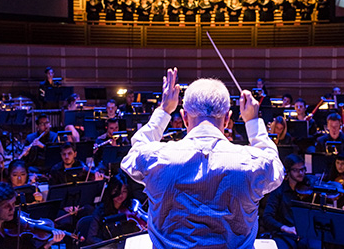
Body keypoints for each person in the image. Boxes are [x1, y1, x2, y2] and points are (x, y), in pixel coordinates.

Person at [121, 67, 284, 249]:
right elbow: (274, 164)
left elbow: (134, 153)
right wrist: (253, 122)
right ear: (227, 119)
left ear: (184, 118)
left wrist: (164, 111)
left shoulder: (156, 158)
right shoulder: (254, 163)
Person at [0, 182, 65, 249]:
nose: (12, 209)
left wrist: (48, 244)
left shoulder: (20, 226)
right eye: (6, 206)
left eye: (13, 204)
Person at [262, 154, 319, 249]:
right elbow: (267, 217)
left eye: (303, 169)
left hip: (307, 234)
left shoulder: (310, 188)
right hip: (285, 234)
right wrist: (285, 228)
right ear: (288, 171)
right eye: (296, 170)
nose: (301, 173)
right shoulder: (279, 190)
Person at [86, 171, 147, 244]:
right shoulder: (100, 211)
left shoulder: (132, 206)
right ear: (110, 191)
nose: (120, 195)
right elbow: (91, 238)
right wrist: (111, 245)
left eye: (124, 191)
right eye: (116, 191)